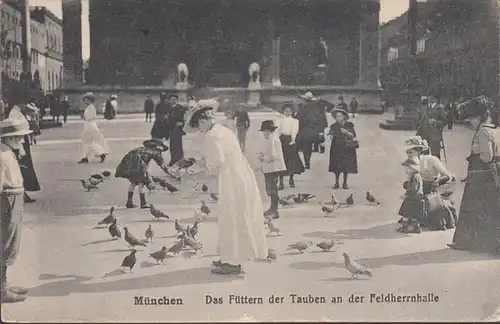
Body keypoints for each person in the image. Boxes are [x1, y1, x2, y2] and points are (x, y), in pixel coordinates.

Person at [183, 99, 268, 275]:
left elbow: (215, 163)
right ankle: (228, 257)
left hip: (232, 177)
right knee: (233, 216)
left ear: (203, 120)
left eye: (199, 125)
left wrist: (192, 174)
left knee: (231, 217)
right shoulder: (222, 129)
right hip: (239, 174)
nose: (199, 130)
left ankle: (233, 263)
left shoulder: (213, 135)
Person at [448, 96, 500, 256]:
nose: (470, 123)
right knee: (490, 209)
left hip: (482, 174)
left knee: (473, 208)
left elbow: (486, 156)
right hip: (494, 173)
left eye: (471, 119)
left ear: (478, 118)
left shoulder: (483, 131)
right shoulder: (496, 129)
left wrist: (475, 153)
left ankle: (468, 242)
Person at [0, 118, 33, 303]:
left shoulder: (7, 151)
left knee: (11, 242)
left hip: (14, 198)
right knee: (5, 243)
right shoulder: (2, 155)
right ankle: (1, 289)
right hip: (7, 200)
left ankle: (3, 284)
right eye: (19, 138)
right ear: (9, 138)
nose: (21, 141)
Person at [115, 139, 171, 208]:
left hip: (131, 169)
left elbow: (127, 157)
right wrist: (170, 173)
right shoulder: (153, 152)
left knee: (133, 184)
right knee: (141, 184)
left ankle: (129, 202)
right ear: (155, 147)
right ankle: (143, 203)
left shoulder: (138, 149)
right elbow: (162, 166)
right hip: (140, 170)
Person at [8, 99, 41, 203]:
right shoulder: (14, 113)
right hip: (19, 143)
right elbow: (15, 130)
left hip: (24, 141)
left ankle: (24, 192)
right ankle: (22, 193)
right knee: (23, 168)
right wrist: (19, 148)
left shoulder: (19, 112)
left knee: (26, 167)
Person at [257, 120, 287, 219]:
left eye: (266, 131)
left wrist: (263, 158)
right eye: (263, 131)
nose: (264, 133)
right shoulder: (269, 139)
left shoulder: (272, 139)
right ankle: (272, 208)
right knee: (270, 189)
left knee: (272, 189)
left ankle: (275, 210)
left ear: (271, 131)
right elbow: (266, 152)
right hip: (269, 168)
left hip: (273, 168)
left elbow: (274, 156)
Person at [275, 102, 304, 189]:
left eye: (289, 111)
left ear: (292, 112)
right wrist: (276, 140)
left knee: (291, 161)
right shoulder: (279, 120)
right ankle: (281, 182)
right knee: (281, 160)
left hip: (290, 141)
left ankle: (291, 179)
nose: (287, 113)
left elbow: (294, 130)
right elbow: (276, 130)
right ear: (283, 111)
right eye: (286, 111)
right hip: (282, 140)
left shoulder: (295, 121)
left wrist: (293, 139)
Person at [328, 107, 358, 189]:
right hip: (336, 147)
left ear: (344, 117)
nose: (338, 118)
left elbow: (353, 135)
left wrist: (346, 132)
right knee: (336, 166)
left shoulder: (349, 125)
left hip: (347, 147)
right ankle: (336, 182)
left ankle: (345, 182)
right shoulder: (333, 126)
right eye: (337, 116)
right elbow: (330, 134)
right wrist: (329, 136)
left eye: (340, 116)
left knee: (346, 165)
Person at [296, 92, 328, 169]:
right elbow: (321, 120)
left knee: (303, 147)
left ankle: (305, 163)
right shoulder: (315, 107)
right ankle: (307, 163)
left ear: (305, 100)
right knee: (308, 147)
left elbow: (300, 119)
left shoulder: (304, 107)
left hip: (305, 131)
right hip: (312, 131)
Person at [78, 92, 111, 164]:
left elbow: (90, 117)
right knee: (87, 143)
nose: (85, 101)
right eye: (85, 100)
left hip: (90, 126)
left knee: (89, 142)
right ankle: (86, 157)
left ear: (90, 100)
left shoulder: (91, 107)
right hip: (89, 125)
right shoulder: (89, 107)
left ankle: (100, 154)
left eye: (87, 100)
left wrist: (83, 117)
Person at [397, 157, 424, 234]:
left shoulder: (414, 177)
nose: (406, 170)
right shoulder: (417, 175)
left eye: (408, 168)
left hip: (412, 199)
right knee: (413, 215)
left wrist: (405, 195)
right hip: (418, 198)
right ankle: (416, 228)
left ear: (413, 169)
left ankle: (404, 228)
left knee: (406, 214)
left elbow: (413, 189)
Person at [165, 94, 187, 166]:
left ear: (177, 100)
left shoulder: (181, 108)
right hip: (171, 128)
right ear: (170, 100)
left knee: (178, 145)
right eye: (172, 100)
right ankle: (173, 160)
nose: (173, 101)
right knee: (172, 146)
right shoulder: (168, 108)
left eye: (174, 99)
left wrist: (182, 123)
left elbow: (186, 118)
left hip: (178, 129)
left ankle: (180, 161)